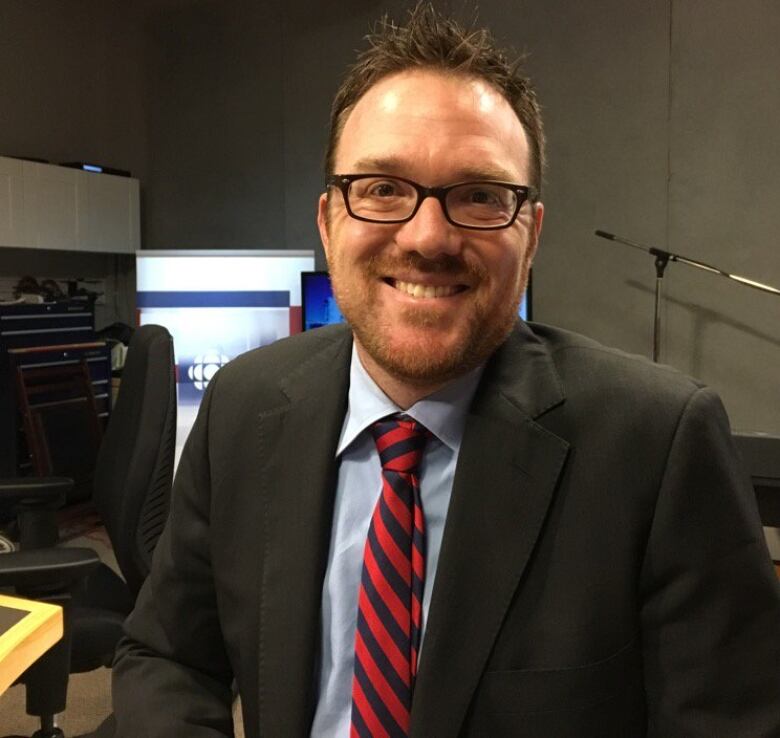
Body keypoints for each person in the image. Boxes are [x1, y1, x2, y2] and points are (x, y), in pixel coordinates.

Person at [112, 4, 780, 737]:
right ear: (329, 221)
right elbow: (168, 655)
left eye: (480, 196)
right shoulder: (244, 406)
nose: (428, 236)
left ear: (531, 235)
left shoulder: (658, 447)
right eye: (382, 188)